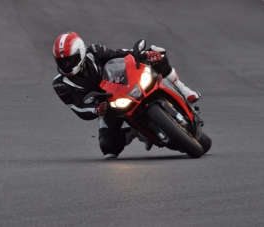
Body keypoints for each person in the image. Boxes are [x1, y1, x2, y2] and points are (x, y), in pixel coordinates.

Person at [52, 31, 201, 159]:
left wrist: (144, 54)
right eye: (62, 62)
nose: (67, 65)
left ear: (81, 53)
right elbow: (78, 107)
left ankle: (185, 91)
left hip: (124, 84)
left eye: (71, 60)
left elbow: (119, 54)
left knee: (157, 53)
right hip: (107, 105)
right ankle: (136, 132)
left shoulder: (94, 51)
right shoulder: (61, 84)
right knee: (108, 148)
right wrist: (97, 109)